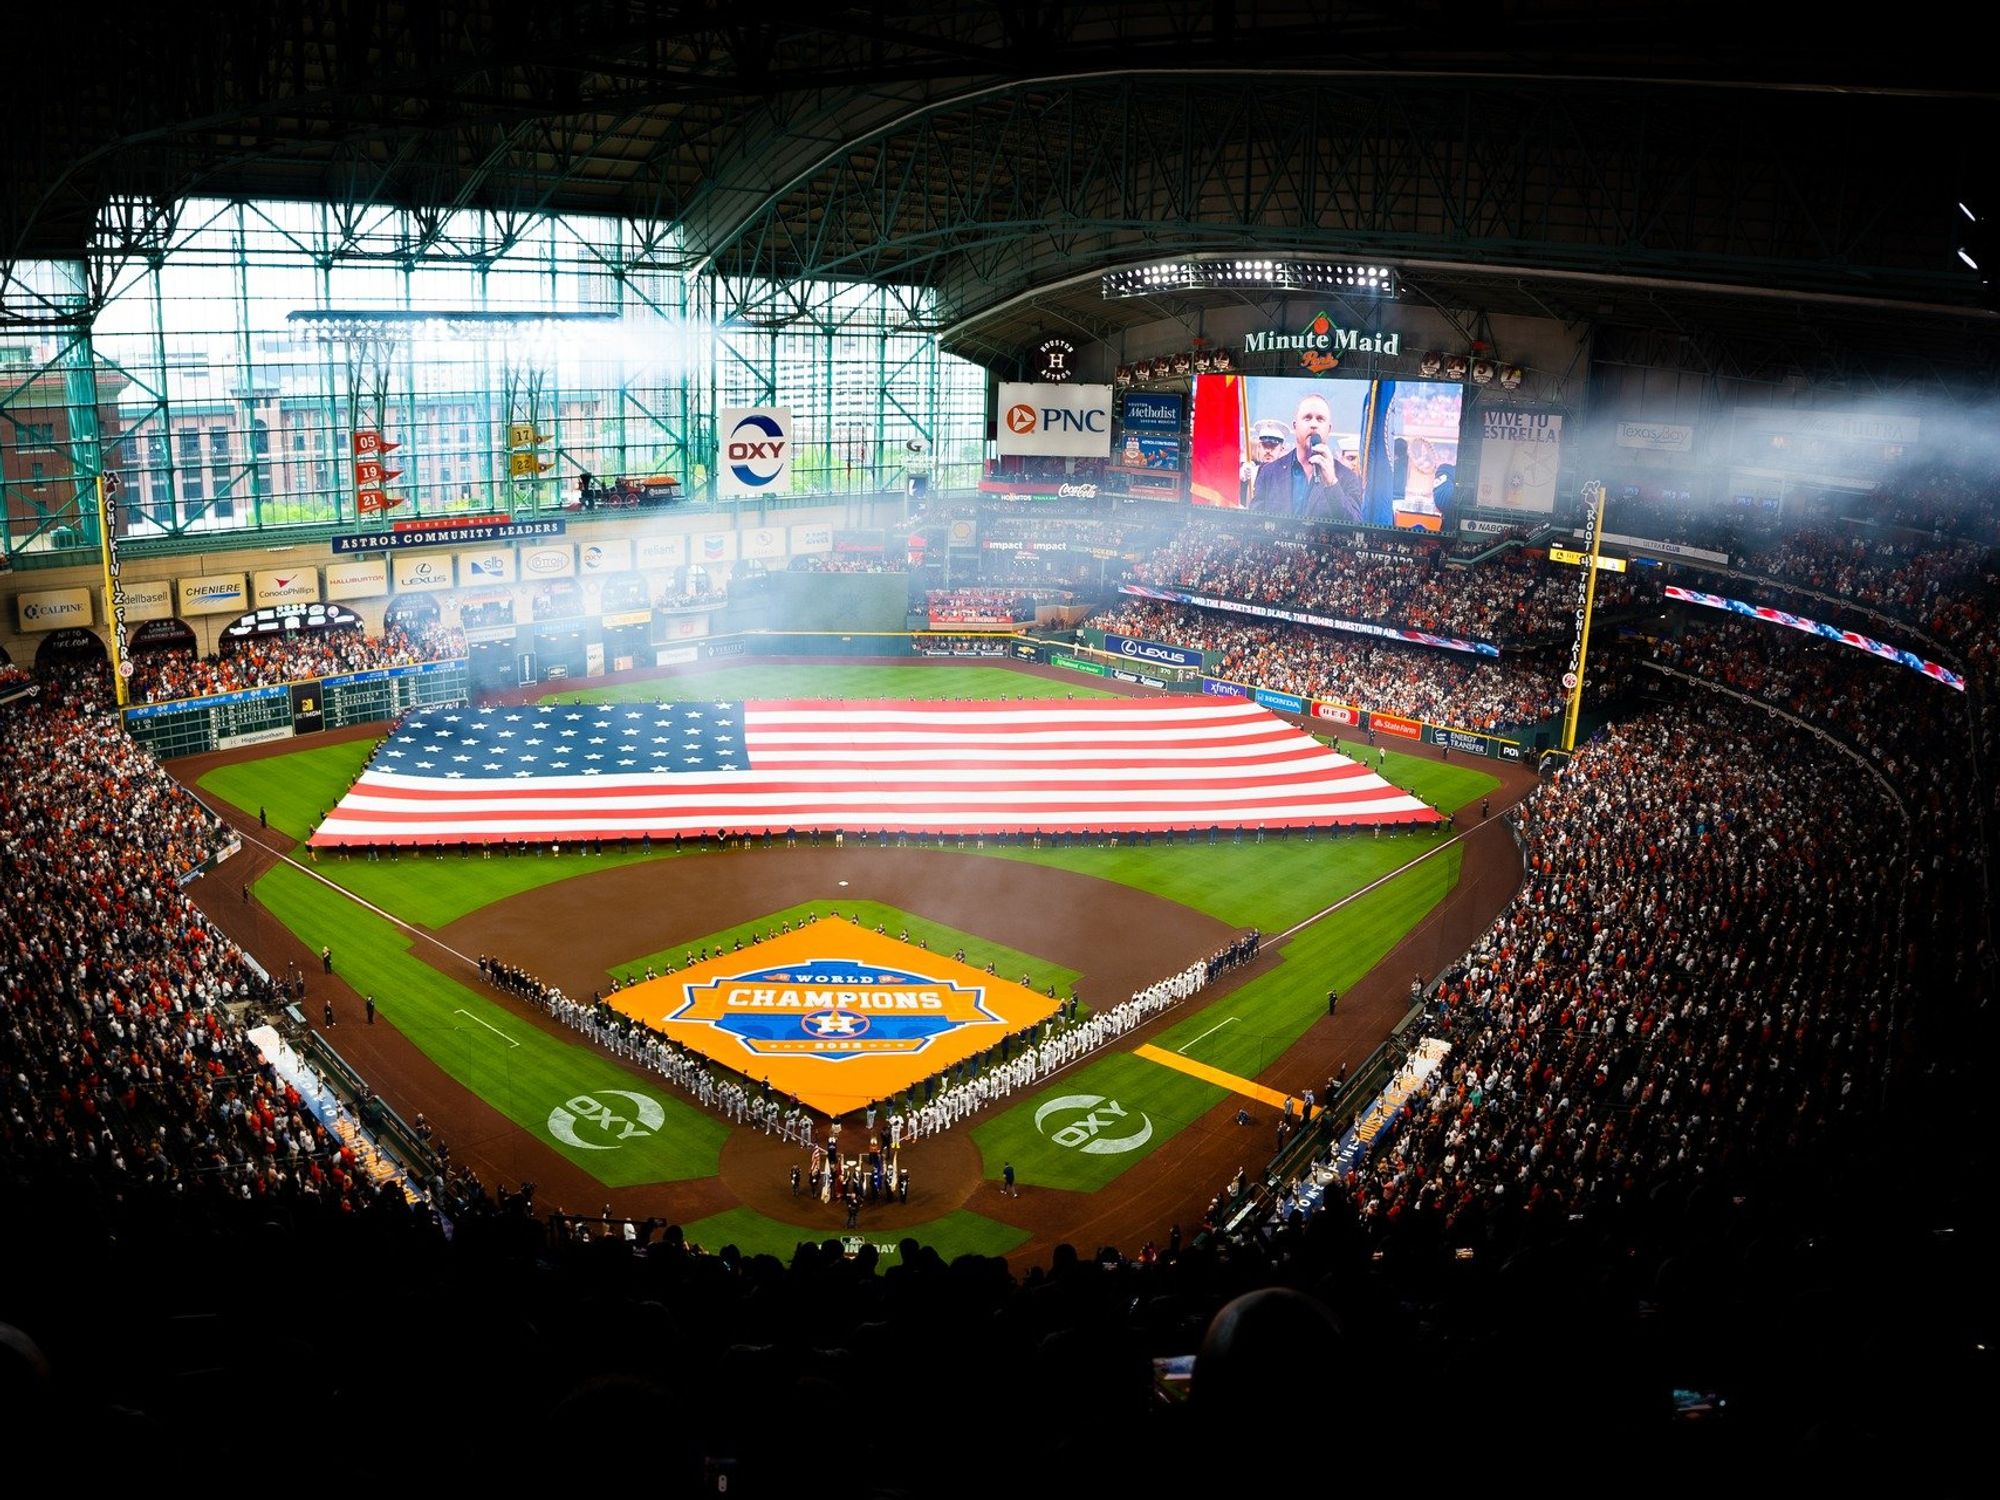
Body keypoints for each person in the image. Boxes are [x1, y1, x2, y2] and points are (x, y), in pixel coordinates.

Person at [1245, 393, 1364, 521]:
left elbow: (1354, 527)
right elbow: (1254, 524)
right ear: (1295, 426)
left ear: (1329, 429)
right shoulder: (1269, 473)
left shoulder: (1347, 477)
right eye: (1307, 418)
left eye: (1320, 419)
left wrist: (1332, 483)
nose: (1313, 424)